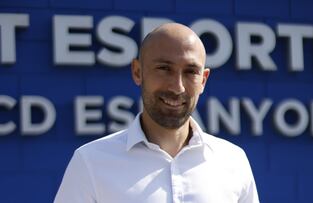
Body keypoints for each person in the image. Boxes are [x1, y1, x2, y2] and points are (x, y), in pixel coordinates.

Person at [54, 23, 259, 203]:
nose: (177, 87)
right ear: (137, 72)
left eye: (190, 72)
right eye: (164, 68)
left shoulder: (233, 161)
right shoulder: (91, 162)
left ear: (203, 80)